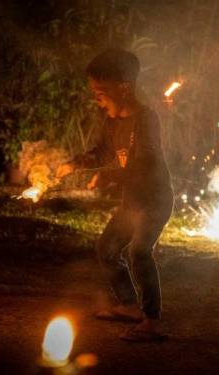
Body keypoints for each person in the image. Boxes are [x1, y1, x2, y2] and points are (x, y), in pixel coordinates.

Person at [59, 48, 173, 342]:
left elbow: (145, 162)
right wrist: (73, 164)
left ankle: (152, 320)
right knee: (108, 249)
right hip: (132, 202)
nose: (97, 98)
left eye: (101, 91)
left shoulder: (146, 119)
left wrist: (110, 175)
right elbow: (101, 151)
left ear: (124, 87)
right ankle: (129, 305)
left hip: (155, 199)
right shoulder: (112, 122)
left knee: (139, 252)